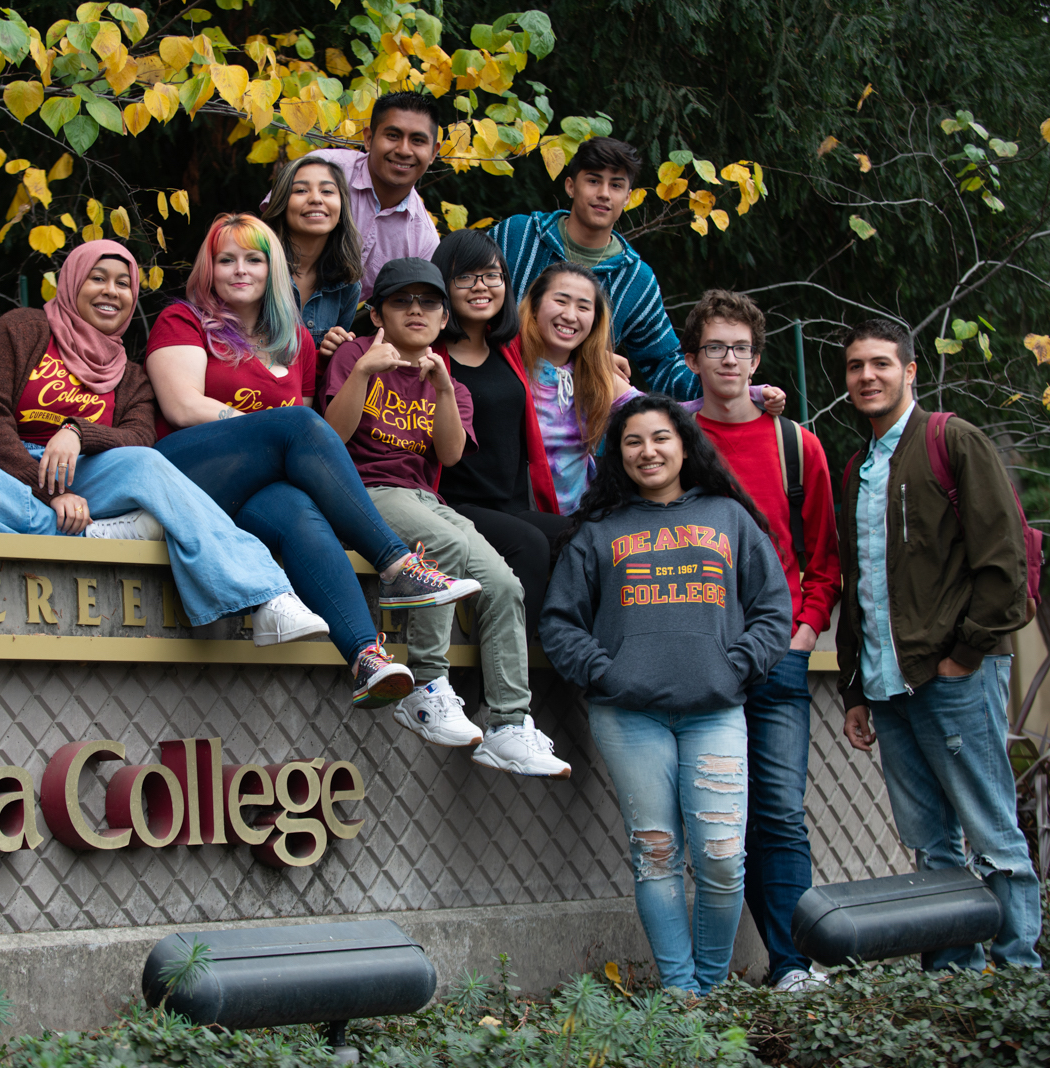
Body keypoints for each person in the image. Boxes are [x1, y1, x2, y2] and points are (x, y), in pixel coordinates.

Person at [0, 240, 329, 648]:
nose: (111, 291)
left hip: (85, 478)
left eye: (124, 284)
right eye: (98, 278)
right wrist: (50, 495)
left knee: (145, 461)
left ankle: (267, 598)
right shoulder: (21, 330)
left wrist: (78, 433)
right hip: (3, 477)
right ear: (72, 282)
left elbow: (140, 436)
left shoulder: (131, 373)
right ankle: (75, 533)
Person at [146, 213, 480, 709]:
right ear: (208, 269)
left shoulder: (296, 339)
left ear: (272, 269)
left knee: (299, 511)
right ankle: (397, 562)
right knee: (300, 427)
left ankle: (366, 658)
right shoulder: (184, 320)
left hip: (253, 488)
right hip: (184, 472)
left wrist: (274, 440)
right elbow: (182, 406)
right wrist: (265, 430)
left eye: (254, 259)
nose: (241, 270)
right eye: (226, 260)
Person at [541, 394, 791, 994]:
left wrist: (736, 667)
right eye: (632, 442)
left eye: (659, 439)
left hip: (716, 711)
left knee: (724, 858)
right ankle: (682, 995)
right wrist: (606, 672)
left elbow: (772, 609)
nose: (647, 451)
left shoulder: (727, 517)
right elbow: (559, 622)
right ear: (617, 457)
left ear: (684, 445)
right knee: (656, 853)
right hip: (629, 717)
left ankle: (709, 987)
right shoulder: (599, 531)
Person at [836, 319, 1041, 971]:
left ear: (910, 371)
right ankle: (953, 978)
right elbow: (860, 582)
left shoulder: (952, 440)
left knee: (992, 835)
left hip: (954, 680)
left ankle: (1019, 975)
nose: (867, 376)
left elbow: (1002, 562)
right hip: (888, 690)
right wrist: (855, 687)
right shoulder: (857, 470)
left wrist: (966, 656)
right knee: (931, 848)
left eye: (881, 364)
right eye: (855, 367)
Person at [322, 257, 571, 778]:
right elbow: (332, 439)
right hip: (364, 490)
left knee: (504, 584)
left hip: (423, 498)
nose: (416, 310)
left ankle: (507, 723)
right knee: (449, 550)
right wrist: (366, 370)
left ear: (442, 320)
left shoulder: (449, 382)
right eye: (401, 302)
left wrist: (438, 389)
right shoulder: (351, 355)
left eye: (428, 303)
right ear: (378, 315)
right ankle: (427, 686)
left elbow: (451, 454)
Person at [680, 290, 842, 993]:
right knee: (719, 822)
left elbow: (825, 558)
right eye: (715, 347)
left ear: (757, 356)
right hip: (698, 657)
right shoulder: (673, 440)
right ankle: (705, 975)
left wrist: (803, 635)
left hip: (776, 657)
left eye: (740, 347)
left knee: (779, 811)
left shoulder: (794, 443)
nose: (729, 359)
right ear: (692, 359)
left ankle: (794, 964)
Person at [521, 263, 783, 517]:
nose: (570, 315)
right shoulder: (509, 363)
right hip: (517, 515)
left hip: (574, 519)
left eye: (583, 307)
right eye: (561, 301)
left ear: (595, 319)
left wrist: (749, 394)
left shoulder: (596, 376)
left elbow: (661, 413)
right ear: (534, 307)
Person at [429, 230, 570, 634]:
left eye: (492, 276)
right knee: (529, 543)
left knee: (584, 536)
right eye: (466, 277)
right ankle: (509, 681)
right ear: (444, 285)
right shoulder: (428, 353)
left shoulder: (510, 348)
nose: (481, 287)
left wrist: (608, 359)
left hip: (510, 502)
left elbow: (573, 340)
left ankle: (565, 646)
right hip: (453, 503)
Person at [490, 137, 700, 399]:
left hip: (570, 428)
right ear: (570, 186)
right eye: (593, 180)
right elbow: (468, 303)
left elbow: (664, 364)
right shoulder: (519, 236)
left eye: (616, 185)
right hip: (492, 399)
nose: (603, 193)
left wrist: (729, 385)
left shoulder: (634, 279)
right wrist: (588, 357)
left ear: (627, 198)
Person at [288, 91, 443, 299]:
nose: (404, 150)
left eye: (417, 140)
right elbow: (263, 238)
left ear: (433, 153)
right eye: (393, 136)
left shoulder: (423, 241)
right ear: (369, 138)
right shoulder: (322, 170)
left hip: (335, 328)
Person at [257, 154, 362, 360]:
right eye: (301, 190)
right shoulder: (256, 267)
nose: (315, 198)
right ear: (282, 204)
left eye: (327, 191)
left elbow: (328, 375)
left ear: (341, 210)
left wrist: (334, 350)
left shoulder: (347, 285)